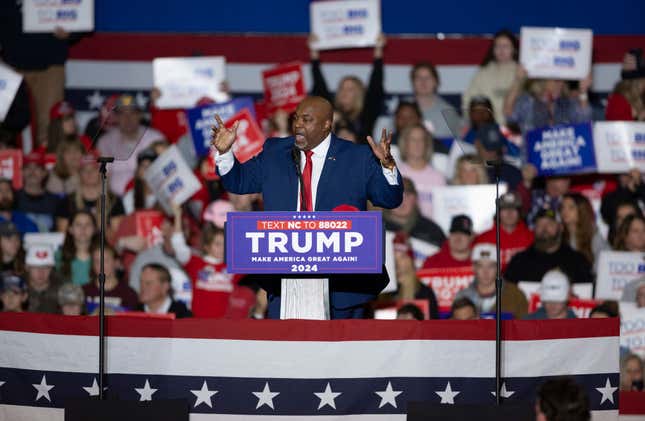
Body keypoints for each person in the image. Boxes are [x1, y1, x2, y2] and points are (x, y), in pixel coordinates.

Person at [212, 96, 403, 319]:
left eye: (307, 119)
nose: (298, 125)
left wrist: (388, 166)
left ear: (326, 125)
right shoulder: (275, 152)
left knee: (340, 354)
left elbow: (389, 198)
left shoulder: (357, 158)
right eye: (296, 119)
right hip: (285, 283)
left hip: (342, 289)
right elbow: (239, 181)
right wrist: (225, 154)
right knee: (288, 353)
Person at [308, 33, 386, 141]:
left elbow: (376, 86)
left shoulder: (367, 113)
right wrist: (314, 52)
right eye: (342, 88)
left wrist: (378, 50)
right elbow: (319, 86)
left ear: (359, 94)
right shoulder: (330, 111)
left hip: (359, 157)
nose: (344, 92)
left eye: (350, 89)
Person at [171, 207, 239, 318]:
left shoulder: (234, 267)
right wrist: (178, 216)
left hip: (225, 328)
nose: (223, 248)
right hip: (198, 326)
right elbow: (178, 246)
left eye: (225, 243)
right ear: (207, 246)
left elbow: (260, 259)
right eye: (217, 244)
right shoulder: (195, 263)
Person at [96, 94, 165, 195]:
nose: (128, 118)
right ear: (116, 117)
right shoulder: (105, 142)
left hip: (150, 198)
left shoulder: (155, 138)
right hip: (116, 200)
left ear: (140, 115)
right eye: (122, 114)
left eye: (132, 113)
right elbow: (102, 176)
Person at [504, 208, 593, 285]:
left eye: (550, 224)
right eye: (539, 224)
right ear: (534, 229)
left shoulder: (577, 261)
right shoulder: (519, 261)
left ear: (561, 227)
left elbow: (586, 293)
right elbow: (508, 293)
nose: (544, 228)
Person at [55, 153, 126, 234]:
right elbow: (62, 235)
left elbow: (117, 235)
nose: (89, 173)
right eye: (84, 170)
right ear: (79, 174)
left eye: (94, 169)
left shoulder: (114, 200)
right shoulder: (67, 201)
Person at [454, 243, 528, 319]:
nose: (486, 272)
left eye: (491, 266)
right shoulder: (462, 296)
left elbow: (523, 326)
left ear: (499, 267)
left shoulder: (515, 295)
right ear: (473, 267)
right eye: (480, 266)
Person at [462, 29, 519, 124]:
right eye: (498, 46)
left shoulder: (522, 73)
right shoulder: (483, 72)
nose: (501, 50)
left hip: (516, 128)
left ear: (514, 49)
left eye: (506, 46)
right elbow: (468, 101)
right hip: (487, 127)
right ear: (493, 49)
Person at [379, 233, 439, 319]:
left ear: (411, 260)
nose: (396, 262)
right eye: (393, 256)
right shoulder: (381, 291)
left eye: (402, 257)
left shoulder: (424, 292)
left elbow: (431, 326)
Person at [474, 191, 533, 271]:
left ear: (519, 212)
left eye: (513, 208)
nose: (509, 213)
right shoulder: (483, 239)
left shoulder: (531, 237)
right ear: (498, 212)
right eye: (505, 209)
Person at [396, 124, 446, 219]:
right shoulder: (394, 174)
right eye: (413, 140)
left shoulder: (438, 177)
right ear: (405, 143)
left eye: (421, 140)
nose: (417, 144)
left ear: (426, 144)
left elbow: (443, 212)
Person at [383, 178, 446, 249]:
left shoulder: (431, 230)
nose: (401, 201)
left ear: (415, 198)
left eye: (407, 195)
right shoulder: (374, 228)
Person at [83, 242, 139, 312]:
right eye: (96, 261)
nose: (101, 265)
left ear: (116, 263)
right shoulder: (84, 292)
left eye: (106, 260)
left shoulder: (129, 294)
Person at [15, 151, 62, 232]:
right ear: (22, 172)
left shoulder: (55, 201)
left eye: (37, 168)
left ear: (44, 173)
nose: (32, 172)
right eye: (28, 168)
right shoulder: (13, 198)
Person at [409, 62, 457, 138]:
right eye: (418, 77)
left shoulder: (448, 111)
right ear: (413, 82)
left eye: (428, 77)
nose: (423, 82)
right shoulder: (403, 110)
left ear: (436, 82)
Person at [560, 192, 608, 266]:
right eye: (562, 207)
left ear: (581, 210)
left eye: (571, 207)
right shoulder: (559, 234)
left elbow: (605, 259)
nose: (564, 211)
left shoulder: (593, 235)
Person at [56, 211, 96, 286]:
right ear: (70, 229)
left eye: (88, 224)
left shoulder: (102, 257)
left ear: (94, 229)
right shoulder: (58, 256)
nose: (83, 229)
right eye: (78, 225)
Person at [606, 49, 645, 121]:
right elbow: (614, 124)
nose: (626, 64)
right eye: (625, 61)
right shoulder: (618, 97)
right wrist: (636, 117)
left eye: (630, 61)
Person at [25, 244, 61, 313]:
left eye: (46, 267)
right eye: (35, 267)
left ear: (51, 268)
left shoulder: (61, 290)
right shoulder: (17, 290)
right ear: (27, 267)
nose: (41, 272)